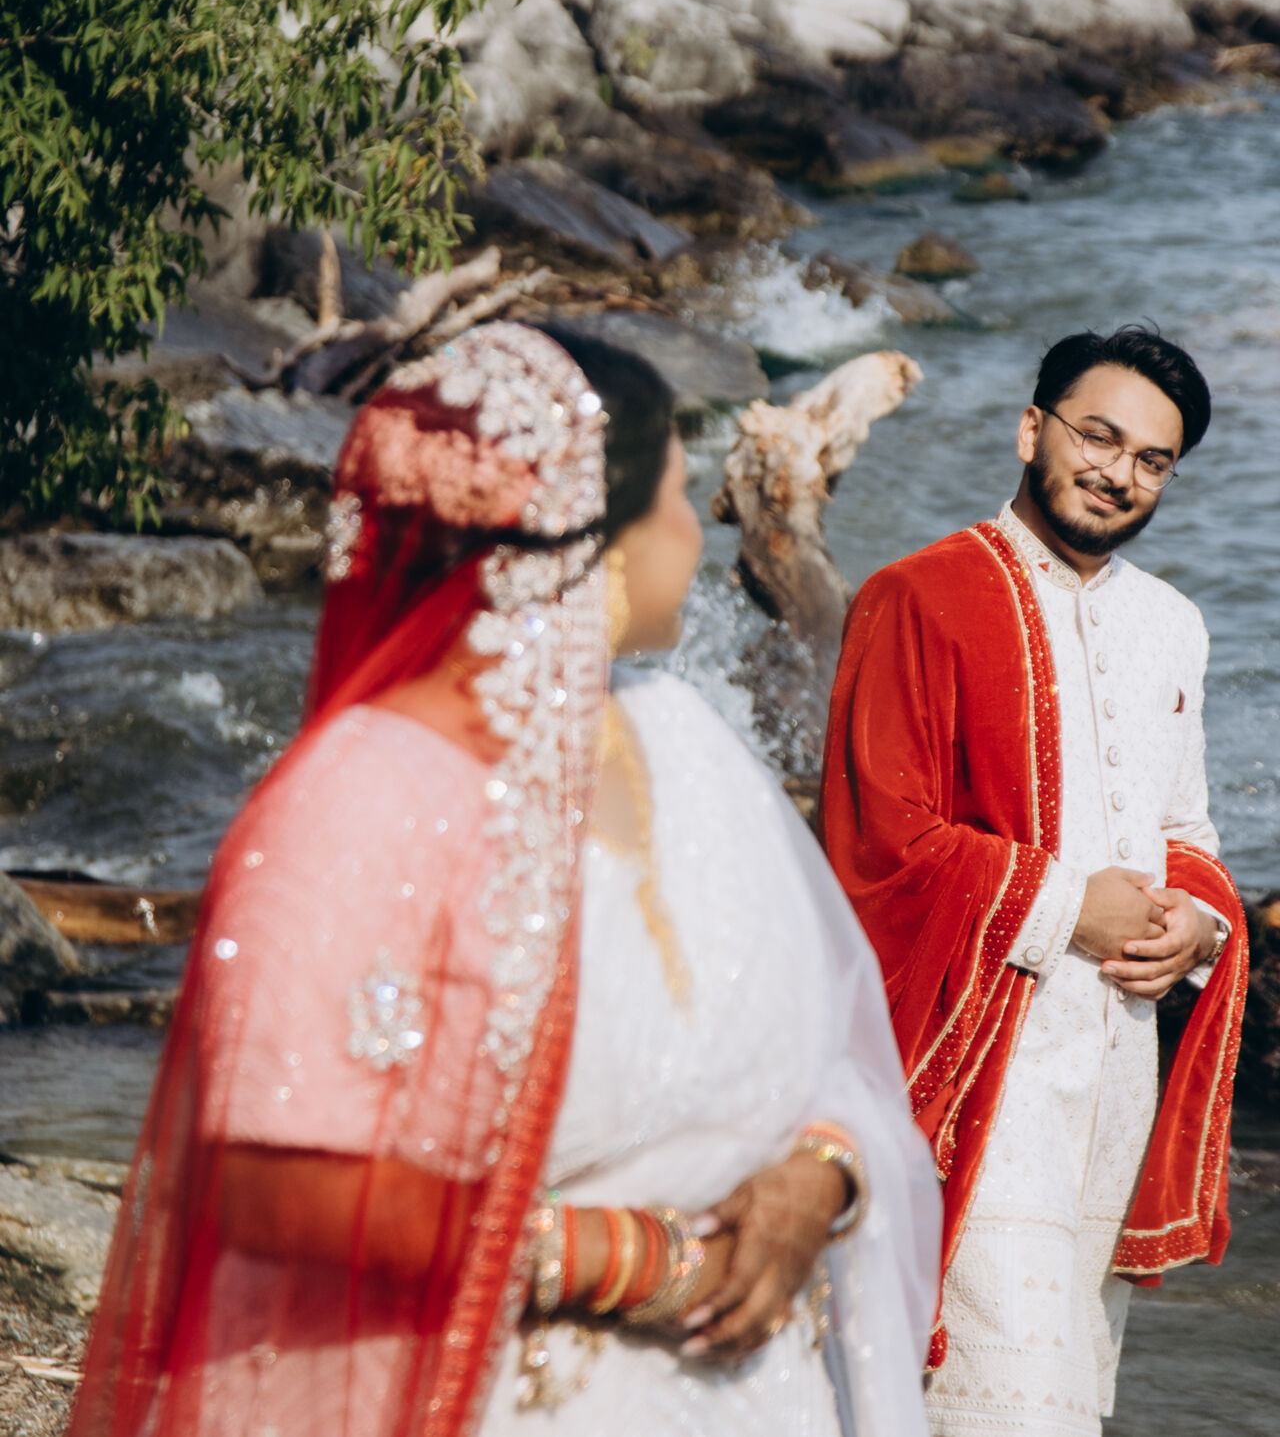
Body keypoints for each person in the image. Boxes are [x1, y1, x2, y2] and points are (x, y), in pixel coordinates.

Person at [68, 321, 939, 1437]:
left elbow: (835, 1043)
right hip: (499, 1395)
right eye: (678, 494)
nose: (694, 528)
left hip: (755, 1390)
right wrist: (626, 1257)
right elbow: (268, 1184)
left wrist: (814, 1180)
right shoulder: (357, 797)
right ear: (596, 540)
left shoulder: (683, 738)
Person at [819, 325, 1249, 1437]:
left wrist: (1199, 925)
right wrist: (1067, 905)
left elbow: (1185, 830)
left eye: (1150, 459)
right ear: (1030, 430)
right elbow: (874, 845)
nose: (1117, 472)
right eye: (1096, 436)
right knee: (1014, 1406)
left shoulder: (1172, 626)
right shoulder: (917, 596)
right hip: (981, 1076)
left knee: (1060, 1395)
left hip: (1114, 1083)